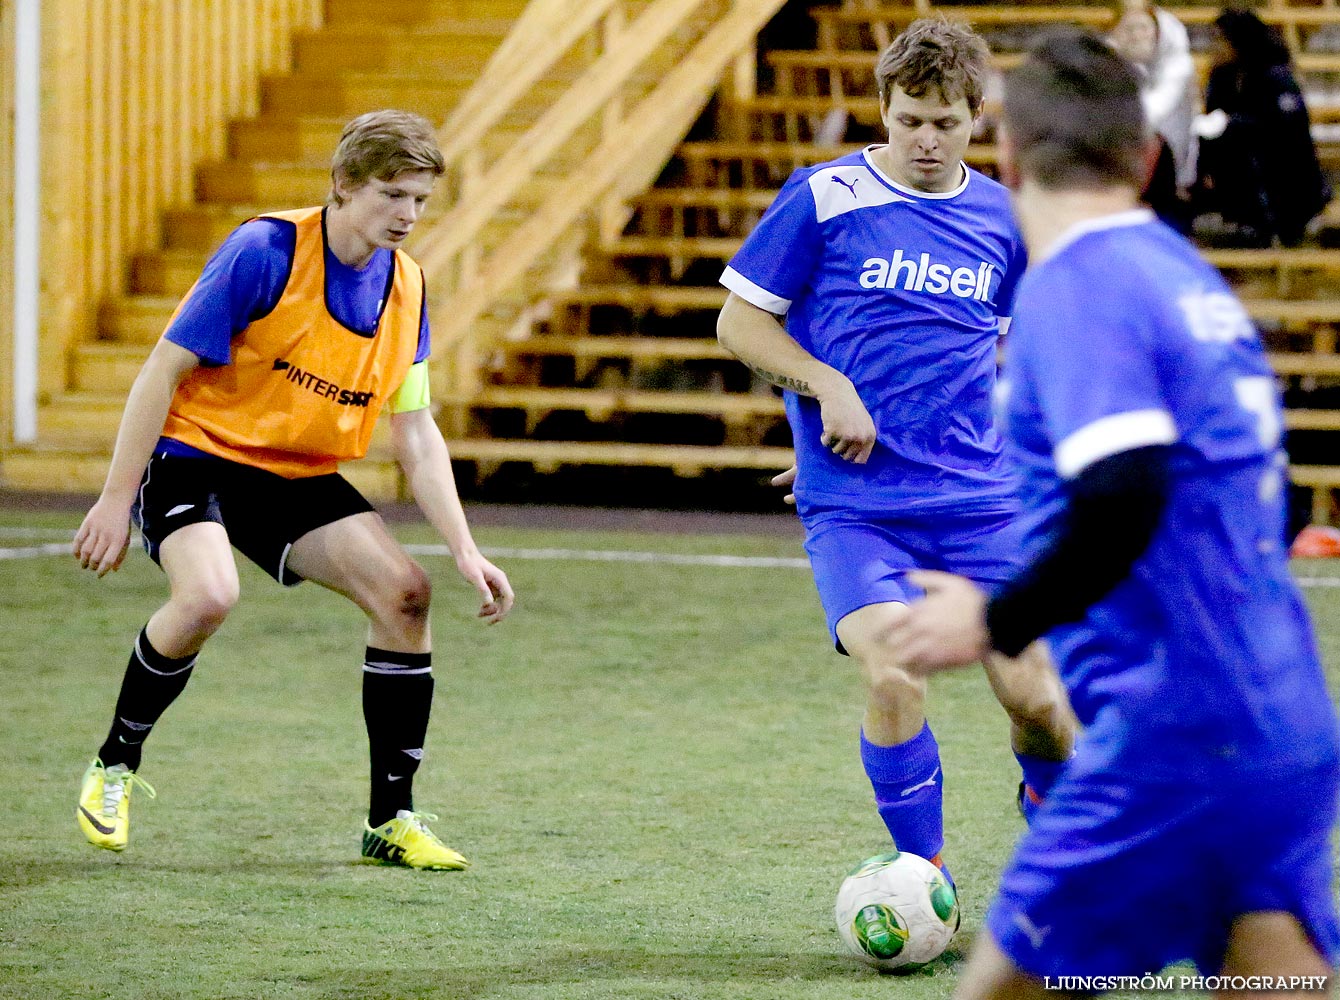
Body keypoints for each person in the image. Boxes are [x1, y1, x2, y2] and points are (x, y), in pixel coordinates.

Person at [895, 29, 1340, 994]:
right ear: (1144, 159)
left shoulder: (1080, 285)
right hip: (1282, 715)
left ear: (1004, 153)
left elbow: (1126, 489)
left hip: (1169, 731)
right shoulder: (1187, 283)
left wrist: (992, 616)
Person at [72, 109, 514, 871]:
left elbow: (416, 430)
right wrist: (115, 499)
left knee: (407, 594)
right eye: (390, 194)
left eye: (419, 199)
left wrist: (466, 551)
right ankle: (114, 764)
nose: (406, 214)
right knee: (209, 596)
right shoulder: (265, 250)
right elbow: (161, 372)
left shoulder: (407, 288)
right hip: (195, 454)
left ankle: (391, 821)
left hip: (293, 472)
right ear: (343, 185)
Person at [715, 18, 1075, 895]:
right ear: (884, 109)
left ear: (975, 120)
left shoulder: (1003, 220)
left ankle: (1054, 831)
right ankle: (926, 877)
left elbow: (1030, 362)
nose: (925, 138)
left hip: (982, 504)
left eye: (944, 123)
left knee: (1037, 702)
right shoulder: (824, 197)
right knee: (893, 677)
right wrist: (827, 390)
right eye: (909, 118)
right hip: (858, 509)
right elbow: (740, 322)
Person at [1195, 8, 1330, 247]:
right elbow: (1212, 120)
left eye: (1220, 39)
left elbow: (1286, 128)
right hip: (1240, 170)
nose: (1215, 46)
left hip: (1283, 170)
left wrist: (1233, 123)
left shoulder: (1276, 76)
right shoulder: (1221, 77)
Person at [1108, 1, 1198, 232]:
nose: (1137, 36)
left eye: (1143, 28)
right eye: (1129, 29)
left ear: (1157, 32)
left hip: (1171, 174)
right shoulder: (1106, 66)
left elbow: (1151, 114)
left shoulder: (1178, 66)